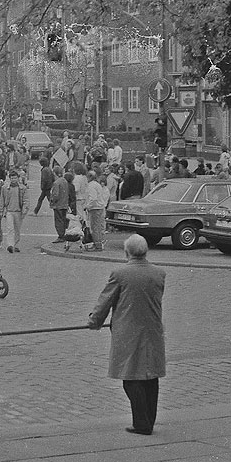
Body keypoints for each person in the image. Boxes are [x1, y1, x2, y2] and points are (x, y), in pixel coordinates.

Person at [87, 234, 166, 435]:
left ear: (127, 252)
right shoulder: (158, 273)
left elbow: (105, 300)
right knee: (150, 376)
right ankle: (149, 420)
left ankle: (142, 423)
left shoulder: (120, 273)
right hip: (152, 331)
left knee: (130, 376)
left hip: (128, 332)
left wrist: (94, 321)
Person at [0, 170, 27, 253]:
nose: (13, 180)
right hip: (9, 211)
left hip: (18, 211)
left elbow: (26, 200)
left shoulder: (22, 188)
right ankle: (10, 245)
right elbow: (2, 199)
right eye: (12, 178)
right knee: (10, 228)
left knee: (17, 229)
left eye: (15, 178)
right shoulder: (5, 188)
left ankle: (15, 244)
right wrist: (1, 210)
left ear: (18, 178)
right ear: (9, 179)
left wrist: (25, 209)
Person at [85, 171, 109, 251]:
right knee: (99, 226)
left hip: (95, 208)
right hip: (100, 207)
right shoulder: (97, 184)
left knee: (94, 227)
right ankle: (99, 243)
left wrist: (88, 206)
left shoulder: (91, 186)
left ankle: (97, 245)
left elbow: (93, 198)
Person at [49, 166, 70, 243]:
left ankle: (61, 236)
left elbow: (55, 195)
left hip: (58, 205)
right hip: (64, 204)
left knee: (58, 221)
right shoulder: (64, 181)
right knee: (63, 220)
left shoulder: (56, 183)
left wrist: (52, 200)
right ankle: (63, 234)